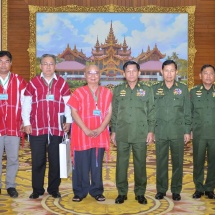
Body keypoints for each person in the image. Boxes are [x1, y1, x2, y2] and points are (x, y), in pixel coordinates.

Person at [22, 54, 72, 199]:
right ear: (41, 66)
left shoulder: (62, 83)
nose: (48, 66)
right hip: (37, 128)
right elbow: (26, 105)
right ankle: (37, 189)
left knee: (55, 161)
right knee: (38, 161)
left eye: (51, 64)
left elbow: (68, 104)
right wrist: (26, 123)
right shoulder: (33, 83)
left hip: (57, 128)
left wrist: (68, 121)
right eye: (45, 64)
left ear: (55, 66)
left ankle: (53, 189)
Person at [111, 60, 155, 204]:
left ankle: (140, 192)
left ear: (139, 73)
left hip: (140, 133)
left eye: (134, 71)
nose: (131, 73)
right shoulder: (117, 90)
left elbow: (152, 112)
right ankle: (122, 192)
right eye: (128, 71)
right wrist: (114, 132)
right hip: (122, 133)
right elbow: (115, 113)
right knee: (121, 164)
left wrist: (151, 131)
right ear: (124, 74)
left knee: (140, 164)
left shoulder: (147, 90)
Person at [67, 65, 112, 202]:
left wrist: (101, 128)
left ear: (100, 75)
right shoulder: (78, 92)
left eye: (96, 73)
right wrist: (85, 129)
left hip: (100, 134)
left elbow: (109, 112)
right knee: (81, 164)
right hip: (81, 134)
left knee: (96, 164)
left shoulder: (107, 92)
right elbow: (73, 112)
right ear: (85, 76)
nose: (93, 76)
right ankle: (79, 192)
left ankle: (97, 191)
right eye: (90, 73)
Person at [152, 59, 191, 201]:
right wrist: (151, 131)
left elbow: (187, 111)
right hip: (160, 131)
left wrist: (187, 131)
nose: (169, 74)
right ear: (161, 72)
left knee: (178, 162)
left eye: (172, 71)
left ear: (176, 72)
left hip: (177, 131)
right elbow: (151, 112)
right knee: (161, 162)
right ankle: (161, 190)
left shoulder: (183, 89)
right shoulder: (154, 89)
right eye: (166, 71)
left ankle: (176, 190)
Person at [0, 51, 27, 198]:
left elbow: (25, 103)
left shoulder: (19, 81)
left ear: (11, 63)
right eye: (0, 61)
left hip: (13, 125)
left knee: (13, 158)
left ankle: (10, 185)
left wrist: (24, 121)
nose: (3, 64)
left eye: (6, 61)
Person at [190, 64, 215, 199]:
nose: (208, 76)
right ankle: (198, 188)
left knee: (213, 162)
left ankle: (210, 188)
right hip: (199, 134)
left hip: (214, 134)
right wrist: (190, 130)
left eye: (211, 73)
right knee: (198, 161)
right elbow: (190, 112)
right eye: (205, 73)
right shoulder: (193, 92)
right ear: (200, 76)